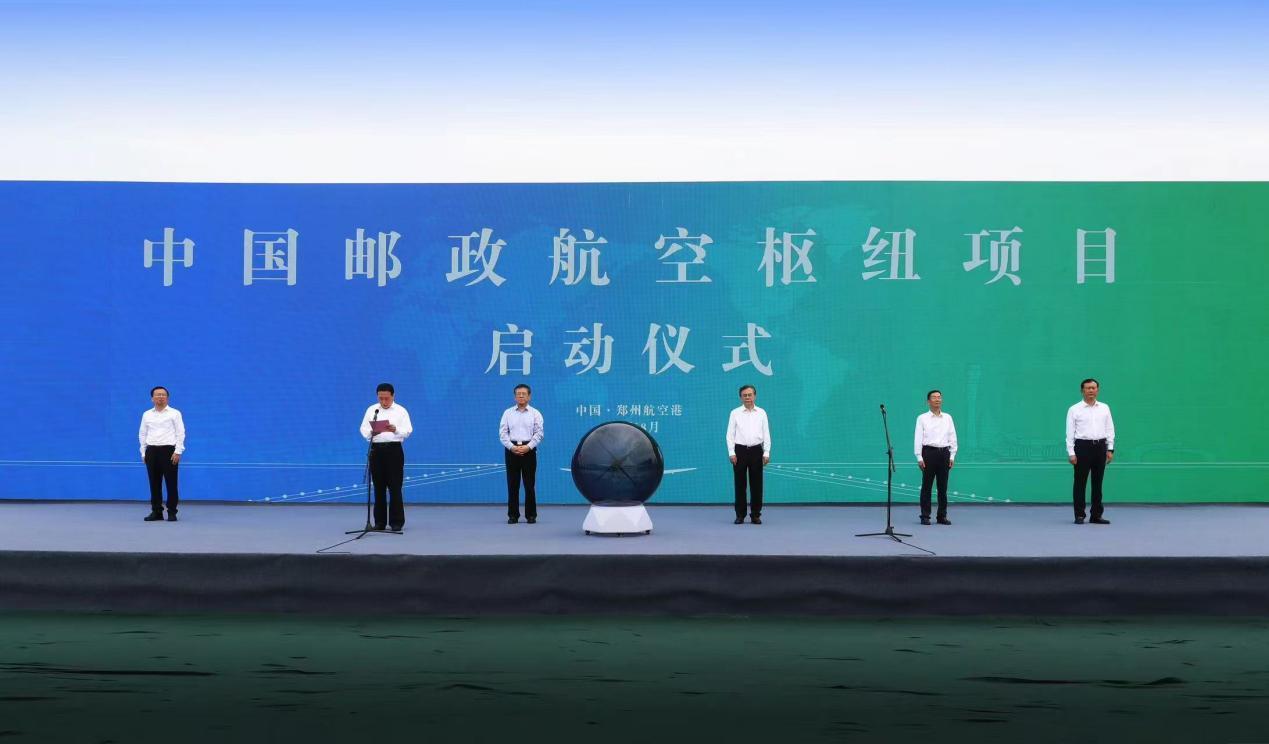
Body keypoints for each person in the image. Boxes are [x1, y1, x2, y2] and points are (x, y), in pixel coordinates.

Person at [359, 383, 413, 531]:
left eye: (386, 398)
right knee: (378, 487)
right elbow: (363, 429)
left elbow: (408, 430)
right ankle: (380, 522)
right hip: (376, 451)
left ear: (393, 396)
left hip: (394, 450)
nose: (383, 401)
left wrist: (396, 429)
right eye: (380, 398)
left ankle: (396, 522)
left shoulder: (401, 411)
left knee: (395, 486)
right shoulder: (372, 410)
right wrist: (371, 433)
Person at [1066, 378, 1115, 525]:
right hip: (1082, 447)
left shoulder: (1104, 408)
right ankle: (1079, 515)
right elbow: (1070, 433)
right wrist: (1071, 452)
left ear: (1097, 390)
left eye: (1093, 388)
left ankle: (1096, 515)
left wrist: (1110, 448)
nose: (1091, 390)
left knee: (1097, 483)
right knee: (1080, 483)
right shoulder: (1074, 409)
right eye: (1088, 388)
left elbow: (1109, 428)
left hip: (1100, 447)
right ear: (1082, 391)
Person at [138, 386, 186, 522]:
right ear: (152, 398)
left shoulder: (175, 413)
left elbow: (180, 433)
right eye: (157, 395)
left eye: (163, 395)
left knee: (171, 483)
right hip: (151, 451)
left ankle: (172, 512)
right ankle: (156, 511)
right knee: (154, 483)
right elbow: (142, 433)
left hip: (169, 451)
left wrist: (178, 451)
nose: (160, 397)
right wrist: (143, 452)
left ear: (167, 398)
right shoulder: (147, 414)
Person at [498, 383, 544, 524]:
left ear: (529, 396)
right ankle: (513, 515)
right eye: (518, 394)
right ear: (515, 397)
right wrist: (512, 447)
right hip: (511, 450)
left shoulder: (535, 413)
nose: (521, 396)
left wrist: (528, 447)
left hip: (529, 450)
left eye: (524, 394)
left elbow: (539, 433)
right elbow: (502, 433)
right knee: (512, 484)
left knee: (529, 484)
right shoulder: (508, 413)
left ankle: (531, 515)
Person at [726, 384, 770, 524]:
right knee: (740, 484)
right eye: (744, 395)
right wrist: (731, 452)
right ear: (740, 397)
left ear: (755, 396)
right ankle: (740, 515)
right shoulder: (735, 413)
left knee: (757, 485)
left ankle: (755, 514)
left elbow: (766, 433)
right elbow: (730, 434)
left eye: (750, 395)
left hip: (757, 450)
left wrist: (766, 452)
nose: (747, 397)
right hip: (739, 451)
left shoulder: (761, 412)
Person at [914, 390, 958, 526]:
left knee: (943, 487)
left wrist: (952, 455)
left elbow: (952, 436)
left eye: (939, 397)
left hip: (944, 453)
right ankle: (925, 516)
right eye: (934, 397)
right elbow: (918, 438)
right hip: (929, 453)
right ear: (928, 401)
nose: (937, 399)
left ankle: (941, 516)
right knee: (926, 486)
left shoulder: (948, 417)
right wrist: (919, 457)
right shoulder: (922, 418)